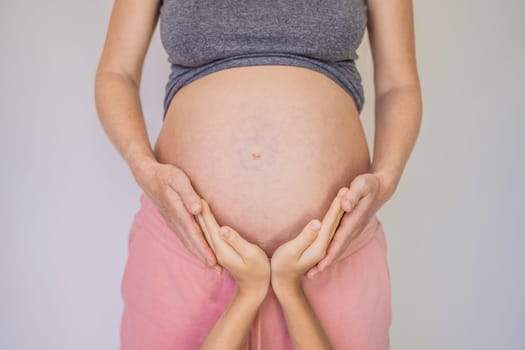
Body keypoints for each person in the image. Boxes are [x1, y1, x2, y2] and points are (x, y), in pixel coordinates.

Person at [94, 0, 422, 348]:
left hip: (329, 251)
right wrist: (143, 167)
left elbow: (398, 85)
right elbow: (117, 73)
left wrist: (385, 179)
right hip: (188, 246)